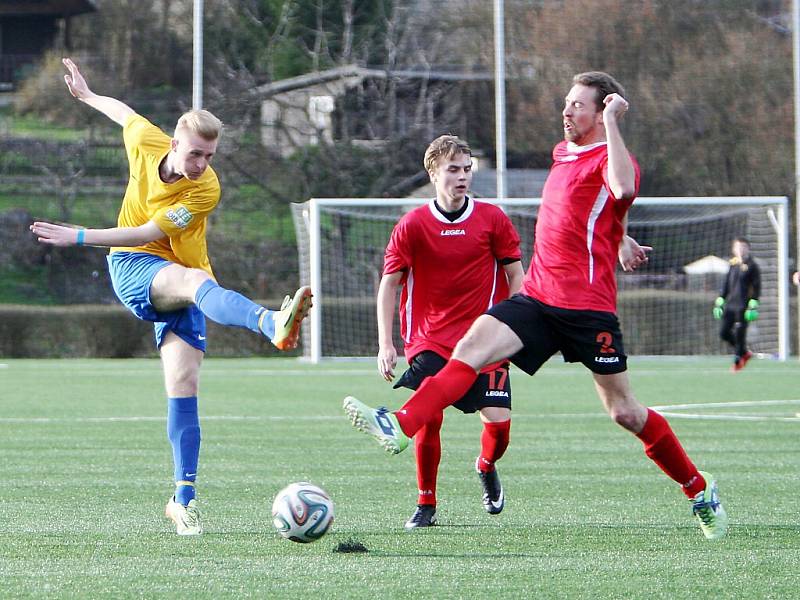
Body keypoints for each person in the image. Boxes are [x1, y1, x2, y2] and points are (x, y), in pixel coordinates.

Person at [344, 71, 728, 540]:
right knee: (470, 349)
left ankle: (699, 489)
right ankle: (401, 424)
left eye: (578, 106)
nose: (566, 112)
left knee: (625, 412)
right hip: (538, 297)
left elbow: (623, 189)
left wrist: (611, 124)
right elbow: (582, 211)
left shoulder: (611, 153)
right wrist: (619, 236)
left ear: (603, 109)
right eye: (566, 103)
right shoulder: (562, 152)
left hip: (587, 309)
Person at [30, 58, 313, 536]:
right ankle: (270, 323)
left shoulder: (206, 189)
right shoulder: (146, 141)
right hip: (131, 263)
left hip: (182, 275)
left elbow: (152, 226)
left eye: (209, 156)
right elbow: (124, 116)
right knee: (193, 284)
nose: (202, 164)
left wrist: (78, 235)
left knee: (184, 385)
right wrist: (87, 95)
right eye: (196, 153)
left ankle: (182, 500)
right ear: (175, 141)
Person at [361, 134, 523, 529]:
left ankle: (485, 466)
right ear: (433, 173)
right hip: (429, 339)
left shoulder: (492, 219)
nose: (463, 176)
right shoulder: (413, 224)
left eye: (467, 169)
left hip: (485, 341)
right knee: (429, 417)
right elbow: (389, 284)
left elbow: (516, 275)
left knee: (499, 429)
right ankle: (426, 503)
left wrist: (518, 324)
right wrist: (386, 344)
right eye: (453, 169)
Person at [713, 237, 761, 372]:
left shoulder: (752, 266)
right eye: (738, 247)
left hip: (743, 306)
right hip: (730, 306)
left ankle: (737, 362)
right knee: (723, 333)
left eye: (744, 247)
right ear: (734, 249)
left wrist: (753, 304)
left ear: (748, 249)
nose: (741, 249)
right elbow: (726, 284)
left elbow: (757, 287)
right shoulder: (732, 264)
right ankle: (744, 352)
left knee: (740, 334)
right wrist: (720, 300)